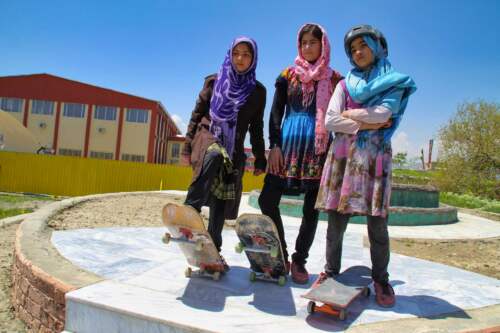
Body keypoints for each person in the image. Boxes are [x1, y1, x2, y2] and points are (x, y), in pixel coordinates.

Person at [315, 25, 417, 307]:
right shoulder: (344, 84)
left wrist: (350, 115)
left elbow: (386, 113)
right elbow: (330, 121)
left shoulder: (394, 82)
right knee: (335, 224)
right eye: (353, 49)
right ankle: (330, 272)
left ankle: (381, 278)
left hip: (375, 161)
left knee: (378, 227)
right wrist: (365, 121)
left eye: (363, 45)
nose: (358, 52)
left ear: (377, 46)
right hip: (344, 161)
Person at [258, 23, 342, 284]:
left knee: (312, 209)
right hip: (286, 148)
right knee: (267, 200)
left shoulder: (335, 79)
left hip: (318, 152)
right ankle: (280, 251)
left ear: (323, 45)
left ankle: (299, 259)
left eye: (313, 42)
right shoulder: (288, 75)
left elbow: (339, 114)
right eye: (303, 42)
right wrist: (275, 146)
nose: (307, 47)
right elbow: (275, 112)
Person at [182, 37, 267, 269]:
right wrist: (187, 147)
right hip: (207, 137)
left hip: (234, 149)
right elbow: (196, 114)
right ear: (230, 54)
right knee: (215, 155)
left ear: (253, 59)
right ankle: (191, 208)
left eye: (246, 55)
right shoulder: (214, 81)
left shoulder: (258, 92)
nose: (240, 59)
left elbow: (257, 127)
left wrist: (260, 158)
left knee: (220, 200)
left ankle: (214, 251)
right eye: (236, 53)